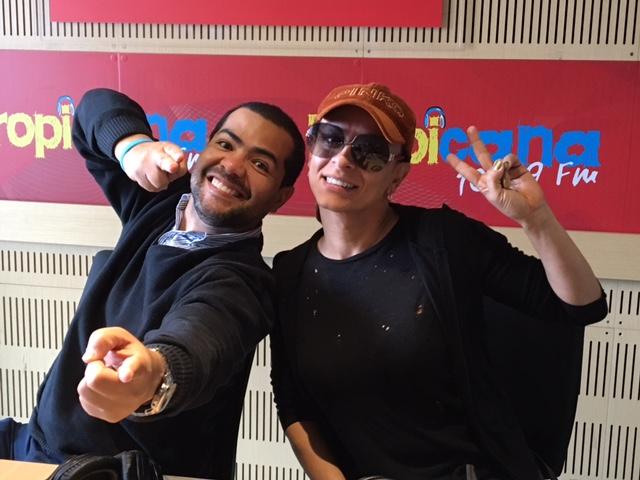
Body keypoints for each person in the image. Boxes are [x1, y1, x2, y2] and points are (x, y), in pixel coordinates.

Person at [269, 83, 608, 480]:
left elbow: (582, 306)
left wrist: (536, 218)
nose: (343, 159)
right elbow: (294, 404)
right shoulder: (289, 273)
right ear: (311, 149)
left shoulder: (444, 240)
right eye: (330, 138)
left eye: (370, 152)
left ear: (397, 176)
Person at [0, 87, 305, 479]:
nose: (232, 165)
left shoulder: (244, 282)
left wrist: (151, 378)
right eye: (225, 144)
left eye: (260, 164)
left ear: (281, 197)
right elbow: (95, 107)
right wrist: (134, 148)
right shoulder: (158, 201)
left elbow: (201, 340)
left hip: (111, 472)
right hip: (34, 442)